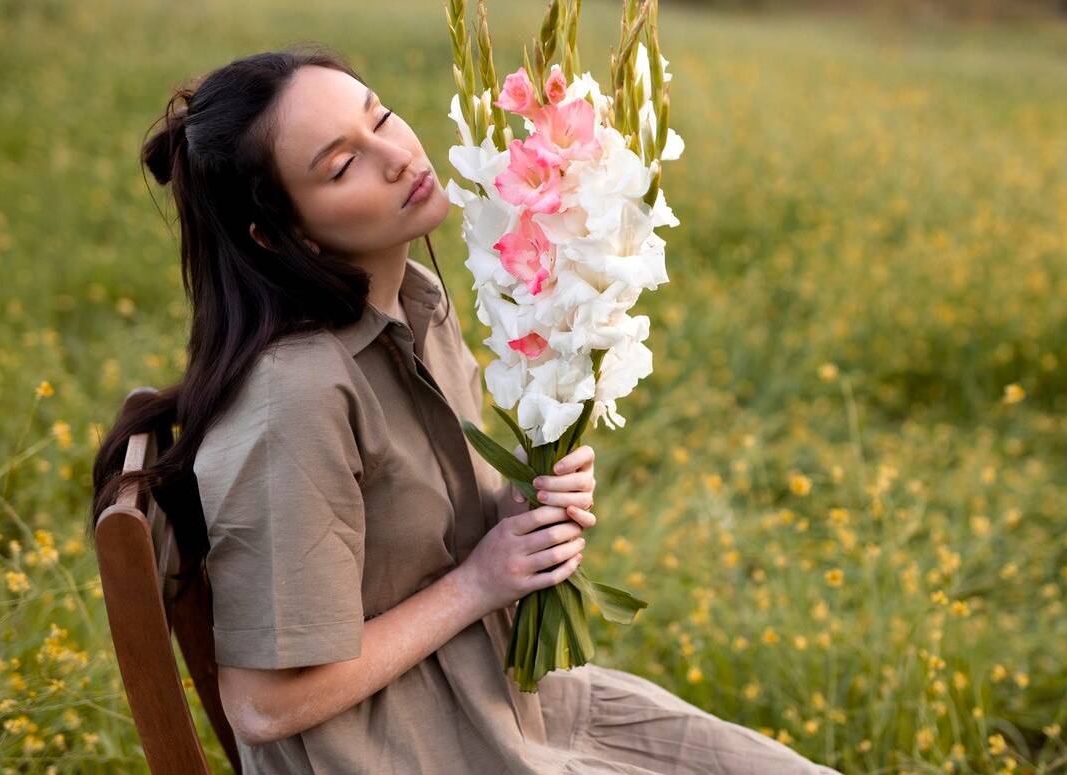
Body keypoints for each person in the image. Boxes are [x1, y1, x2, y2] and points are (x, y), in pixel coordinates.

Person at [89, 44, 842, 775]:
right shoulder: (297, 394)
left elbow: (428, 540)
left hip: (519, 703)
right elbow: (263, 704)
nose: (396, 156)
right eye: (343, 165)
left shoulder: (420, 302)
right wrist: (481, 582)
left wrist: (526, 506)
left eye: (379, 118)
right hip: (414, 748)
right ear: (279, 234)